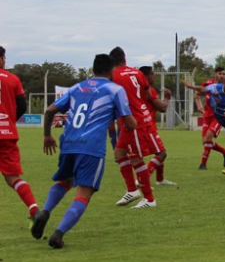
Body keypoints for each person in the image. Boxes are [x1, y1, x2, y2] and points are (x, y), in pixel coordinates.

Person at [30, 54, 137, 248]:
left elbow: (50, 111)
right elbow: (129, 123)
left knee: (65, 181)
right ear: (111, 70)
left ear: (93, 69)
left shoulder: (77, 87)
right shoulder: (115, 89)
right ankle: (58, 234)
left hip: (68, 142)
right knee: (84, 193)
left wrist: (47, 135)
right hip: (91, 146)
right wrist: (135, 120)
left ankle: (44, 211)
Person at [110, 47, 165, 208]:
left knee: (135, 158)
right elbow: (147, 94)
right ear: (124, 58)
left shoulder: (114, 75)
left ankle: (149, 199)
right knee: (119, 152)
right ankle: (132, 190)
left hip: (133, 120)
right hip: (139, 116)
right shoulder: (137, 72)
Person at [0, 46, 43, 233]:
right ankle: (34, 209)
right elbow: (22, 106)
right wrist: (8, 121)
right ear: (1, 59)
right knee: (13, 178)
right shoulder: (13, 79)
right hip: (7, 134)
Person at [138, 66, 176, 185]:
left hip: (139, 125)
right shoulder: (149, 90)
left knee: (158, 151)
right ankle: (142, 181)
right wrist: (167, 98)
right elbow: (163, 108)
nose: (154, 76)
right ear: (144, 77)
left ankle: (160, 179)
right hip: (147, 126)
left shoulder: (134, 90)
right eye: (151, 74)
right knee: (162, 153)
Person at [195, 66, 225, 170]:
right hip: (207, 116)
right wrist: (199, 106)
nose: (222, 76)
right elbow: (196, 95)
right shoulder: (207, 84)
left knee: (208, 136)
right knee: (205, 141)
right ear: (215, 74)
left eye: (224, 74)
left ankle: (203, 164)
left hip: (218, 117)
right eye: (220, 73)